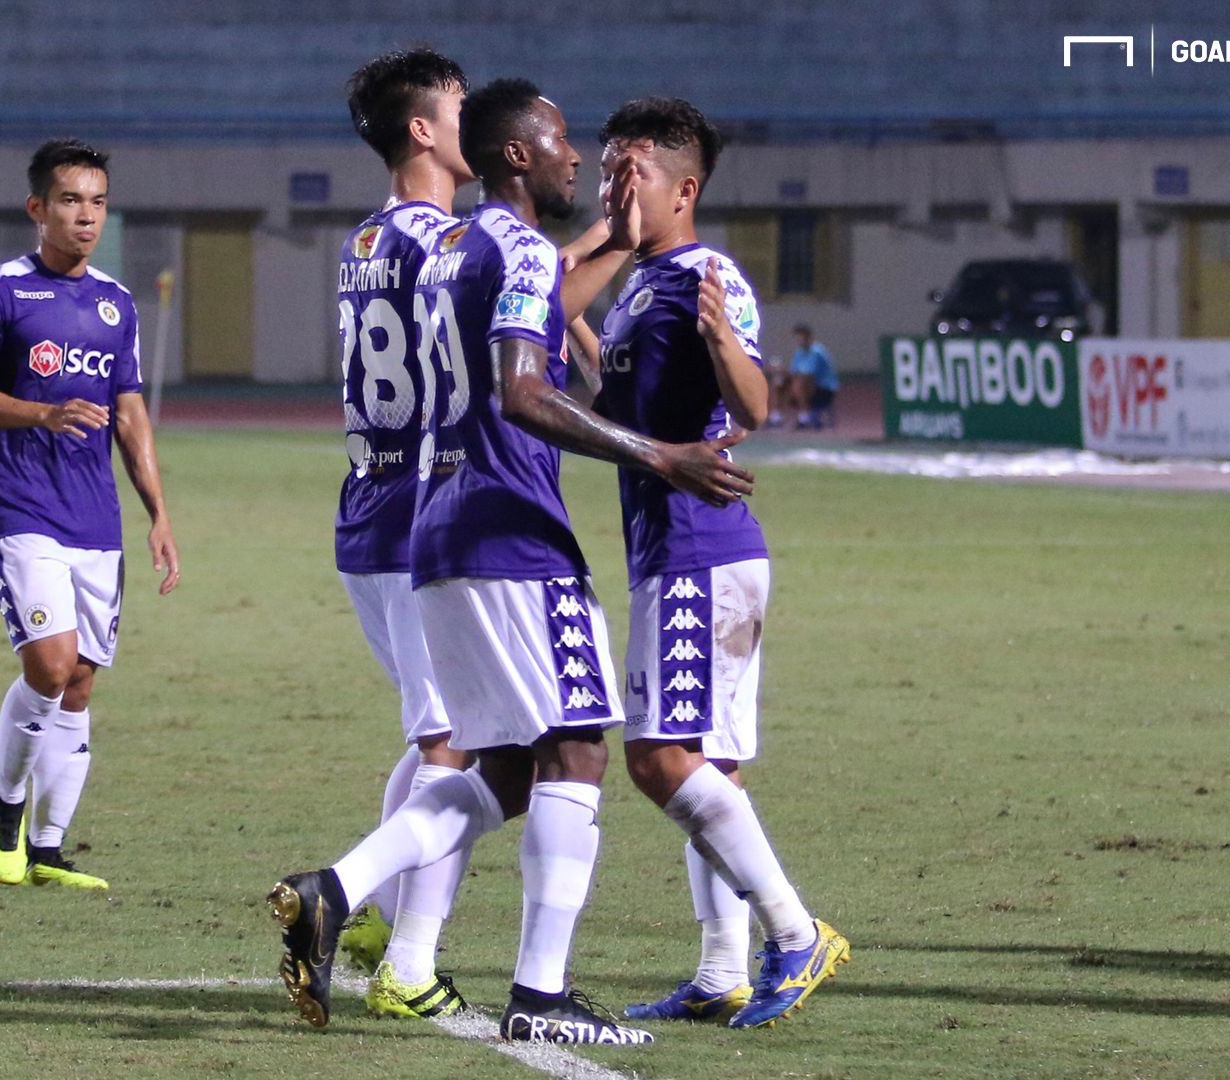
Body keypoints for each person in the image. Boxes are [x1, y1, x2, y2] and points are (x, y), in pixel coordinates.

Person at [267, 79, 755, 1044]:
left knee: (497, 766)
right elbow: (525, 388)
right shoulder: (512, 244)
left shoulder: (441, 247)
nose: (581, 158)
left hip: (428, 523)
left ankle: (338, 889)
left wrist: (608, 244)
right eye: (564, 140)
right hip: (510, 528)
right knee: (575, 746)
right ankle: (539, 995)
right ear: (519, 155)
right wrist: (658, 452)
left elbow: (529, 314)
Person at [582, 96, 848, 1029]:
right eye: (608, 167)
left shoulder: (705, 272)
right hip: (675, 548)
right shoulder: (635, 284)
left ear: (683, 187)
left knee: (656, 760)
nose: (615, 185)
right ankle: (720, 970)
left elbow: (755, 404)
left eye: (633, 172)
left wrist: (728, 344)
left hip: (701, 547)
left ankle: (793, 931)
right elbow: (617, 401)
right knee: (710, 766)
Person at [0, 138, 181, 892]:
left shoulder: (116, 304)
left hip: (95, 521)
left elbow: (130, 414)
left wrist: (159, 512)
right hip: (21, 509)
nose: (86, 215)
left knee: (80, 682)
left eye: (97, 201)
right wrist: (40, 414)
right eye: (71, 200)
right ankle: (5, 811)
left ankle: (49, 848)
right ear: (38, 208)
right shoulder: (1, 292)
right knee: (48, 667)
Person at [330, 47, 478, 1021]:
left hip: (367, 508)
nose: (480, 122)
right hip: (425, 513)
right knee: (456, 746)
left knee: (441, 729)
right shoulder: (447, 244)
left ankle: (377, 917)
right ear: (421, 129)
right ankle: (404, 962)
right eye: (462, 107)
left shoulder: (362, 240)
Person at [787, 324, 839, 429]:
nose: (799, 341)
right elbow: (793, 372)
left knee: (801, 383)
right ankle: (775, 417)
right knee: (779, 383)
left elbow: (808, 375)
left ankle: (803, 418)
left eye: (801, 338)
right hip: (805, 388)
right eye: (797, 338)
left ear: (809, 338)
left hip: (824, 390)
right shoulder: (799, 352)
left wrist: (795, 386)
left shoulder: (817, 352)